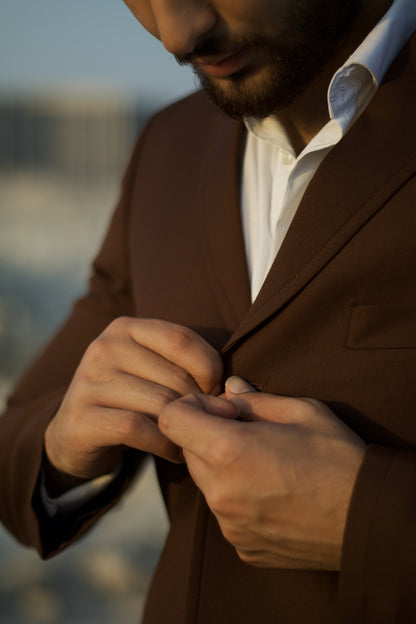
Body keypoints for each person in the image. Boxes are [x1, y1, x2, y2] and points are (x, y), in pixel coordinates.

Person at [1, 0, 416, 621]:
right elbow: (17, 454)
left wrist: (372, 523)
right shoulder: (168, 146)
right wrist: (66, 442)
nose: (176, 33)